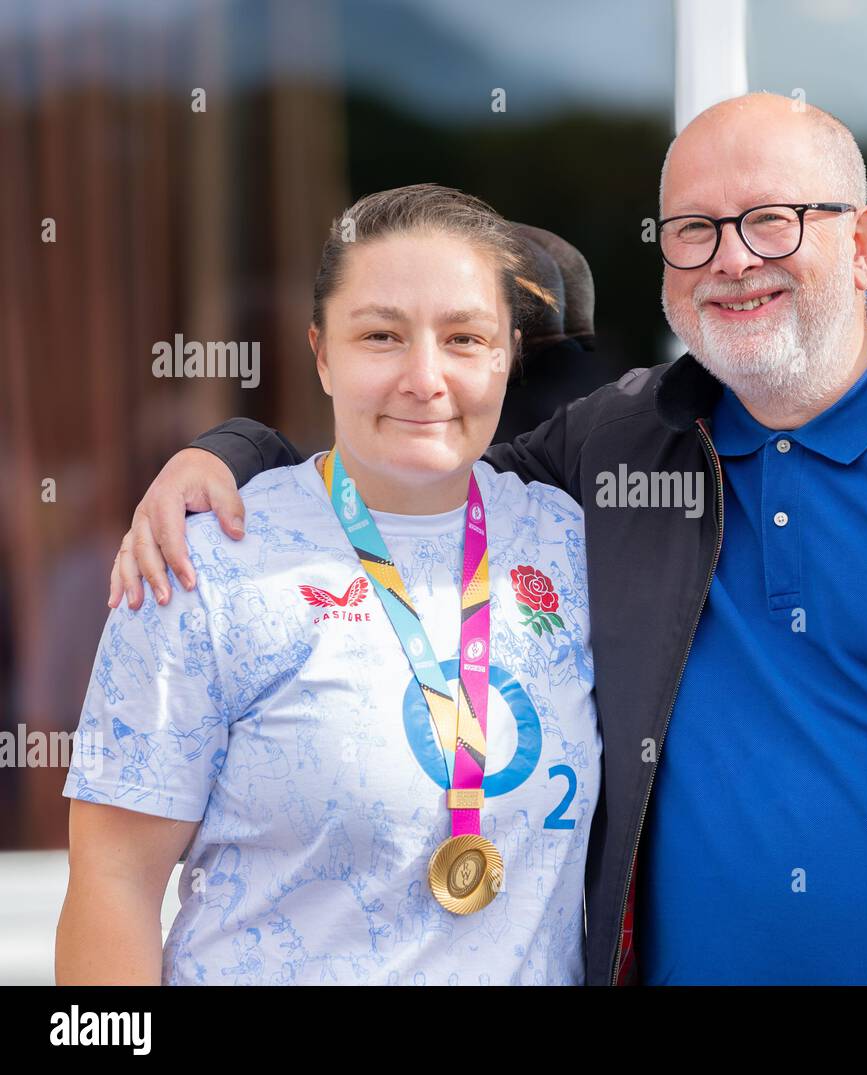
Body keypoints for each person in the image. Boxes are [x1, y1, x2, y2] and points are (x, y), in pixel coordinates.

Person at [109, 93, 867, 986]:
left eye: (770, 221)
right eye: (693, 231)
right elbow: (414, 456)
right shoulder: (621, 444)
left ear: (860, 241)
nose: (730, 259)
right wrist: (236, 450)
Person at [58, 184, 600, 985]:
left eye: (464, 337)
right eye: (381, 335)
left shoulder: (571, 543)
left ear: (506, 354)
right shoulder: (204, 562)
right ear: (321, 353)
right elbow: (113, 883)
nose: (425, 377)